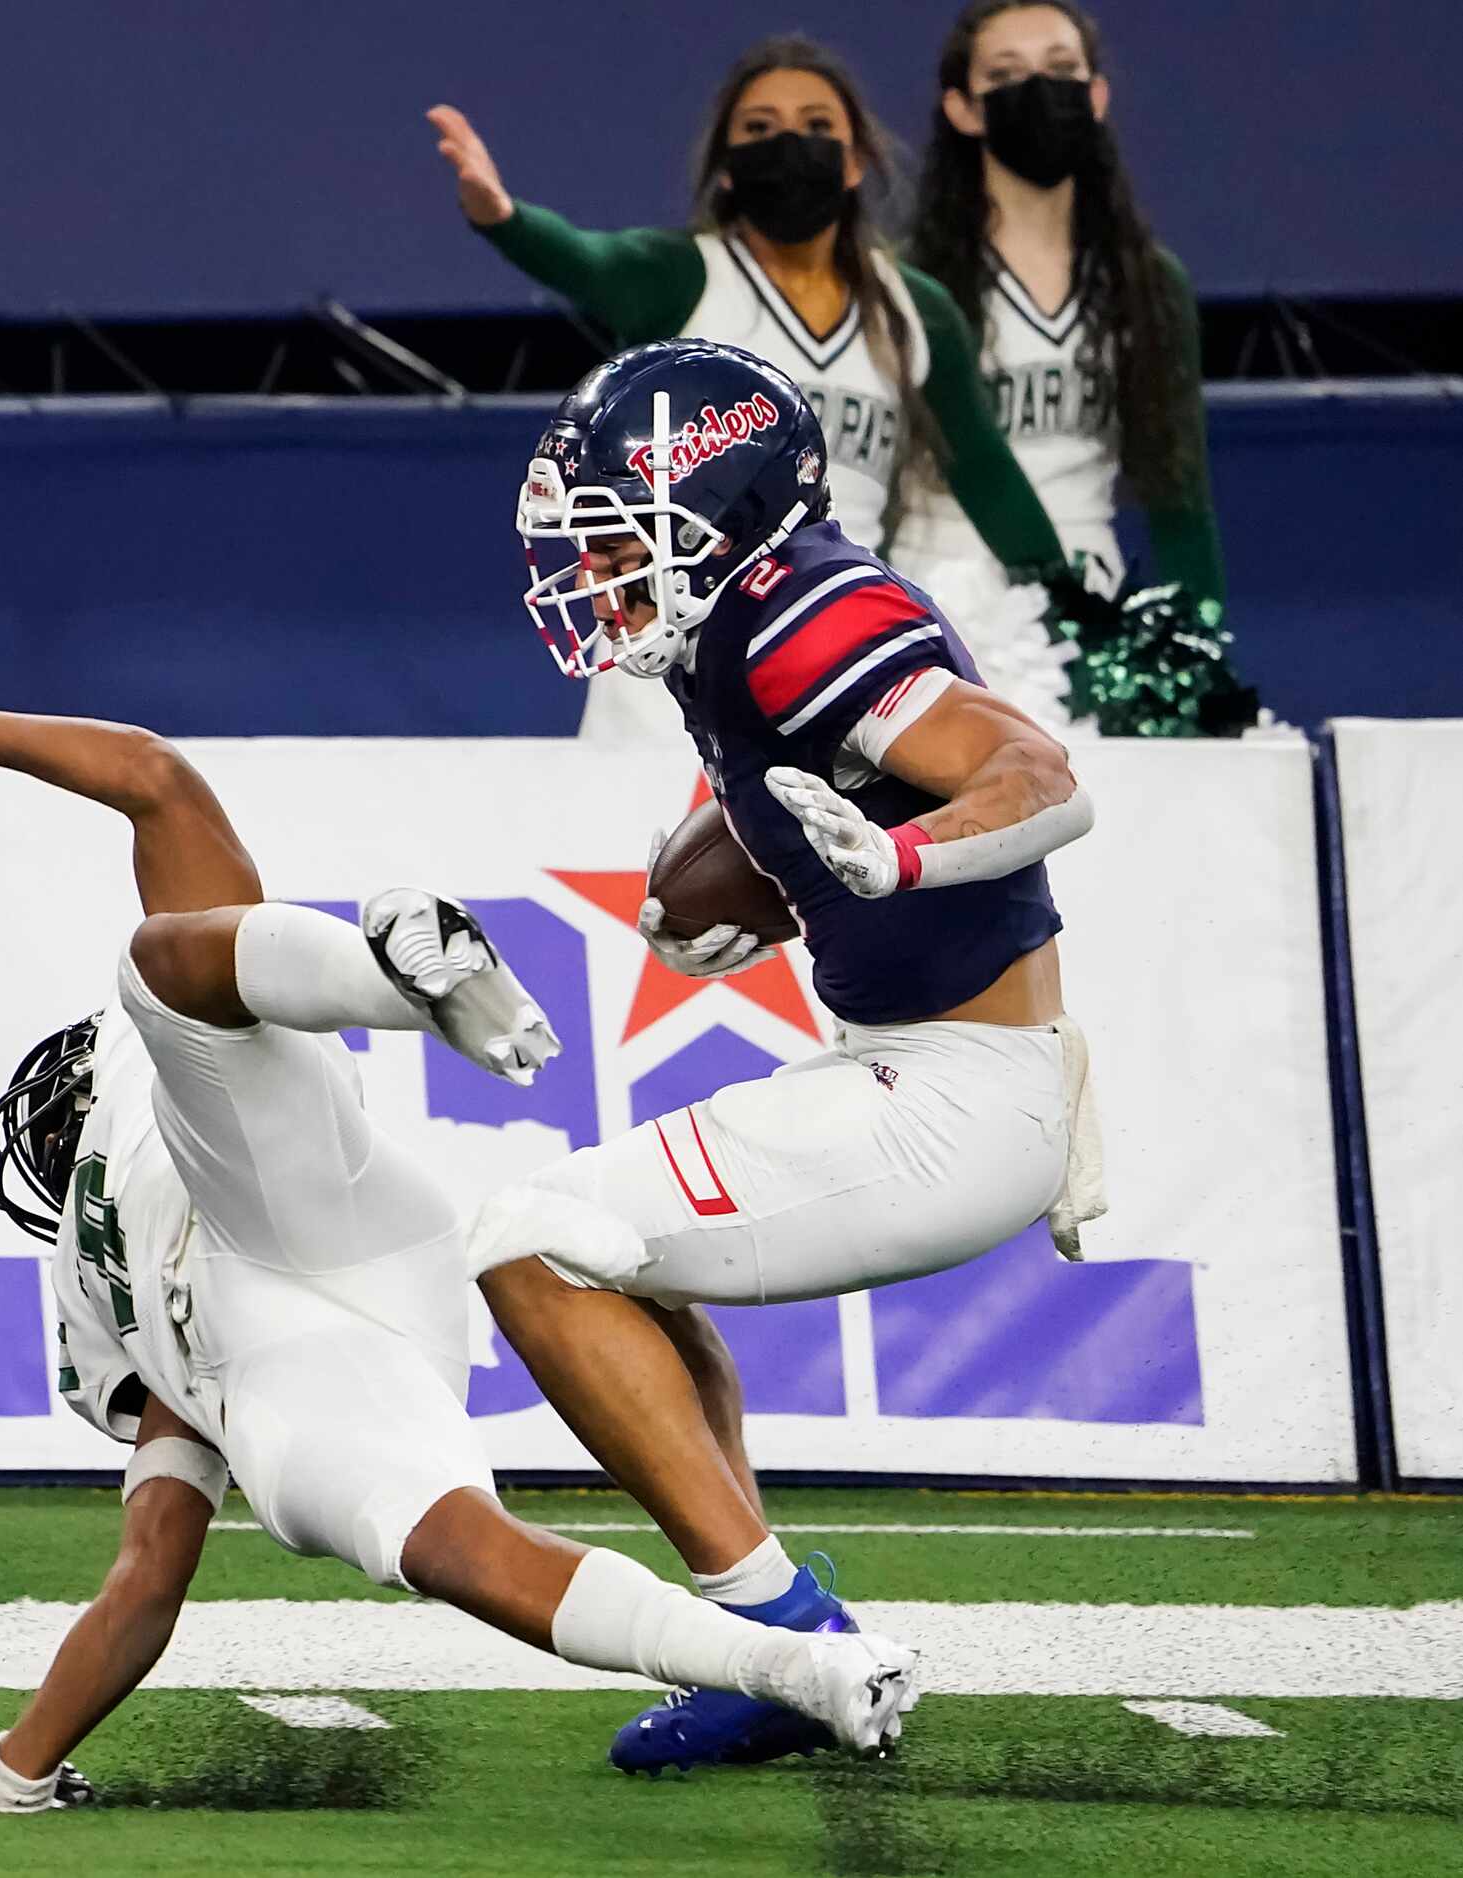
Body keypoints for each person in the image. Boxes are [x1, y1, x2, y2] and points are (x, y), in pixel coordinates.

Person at [0, 614, 921, 1812]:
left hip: (265, 1286)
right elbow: (155, 783)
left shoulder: (83, 1301)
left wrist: (16, 1761)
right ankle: (790, 1661)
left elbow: (148, 1578)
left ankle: (794, 1664)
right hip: (339, 1251)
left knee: (453, 1547)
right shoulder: (107, 1164)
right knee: (161, 971)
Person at [479, 337, 1101, 1771]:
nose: (599, 576)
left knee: (528, 1239)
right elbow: (795, 801)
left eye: (619, 538)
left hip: (958, 1095)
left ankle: (781, 1633)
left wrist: (894, 854)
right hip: (910, 1060)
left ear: (717, 509)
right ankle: (762, 1620)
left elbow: (1039, 778)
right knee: (610, 1250)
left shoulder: (807, 609)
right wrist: (758, 872)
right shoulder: (750, 616)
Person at [427, 35, 1068, 741]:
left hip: (831, 639)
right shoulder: (679, 276)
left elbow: (986, 476)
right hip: (665, 634)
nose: (789, 144)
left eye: (817, 127)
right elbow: (584, 258)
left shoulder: (916, 309)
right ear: (726, 169)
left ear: (855, 162)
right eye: (758, 129)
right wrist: (502, 216)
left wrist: (1077, 606)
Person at [902, 1, 1255, 737]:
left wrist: (1198, 651)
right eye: (1006, 74)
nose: (1038, 89)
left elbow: (1178, 493)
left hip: (1095, 622)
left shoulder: (1146, 283)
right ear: (962, 109)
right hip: (939, 597)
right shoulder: (909, 280)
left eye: (1060, 70)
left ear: (1095, 95)